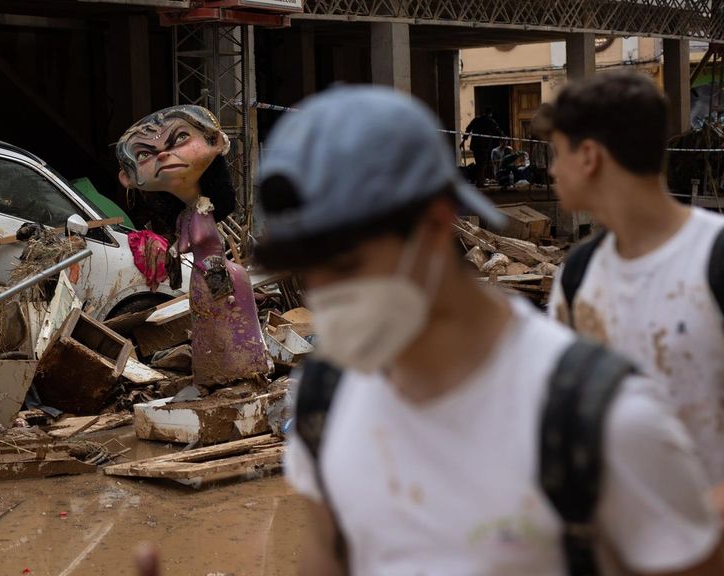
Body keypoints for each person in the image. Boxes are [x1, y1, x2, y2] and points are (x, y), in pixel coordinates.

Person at [252, 86, 723, 575]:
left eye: (347, 263)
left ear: (435, 226)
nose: (324, 292)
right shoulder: (323, 401)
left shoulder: (605, 421)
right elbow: (329, 555)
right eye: (306, 269)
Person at [538, 71, 724, 517]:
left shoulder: (713, 259)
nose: (551, 170)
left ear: (589, 157)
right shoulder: (577, 276)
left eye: (557, 153)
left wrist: (696, 531)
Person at [116, 105, 272, 388]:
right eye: (143, 154)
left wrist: (176, 249)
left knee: (225, 316)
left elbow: (200, 240)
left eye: (179, 140)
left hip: (213, 269)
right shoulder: (189, 212)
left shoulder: (202, 211)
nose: (162, 155)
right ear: (127, 177)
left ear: (216, 142)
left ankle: (235, 367)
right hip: (205, 271)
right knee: (211, 319)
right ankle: (218, 368)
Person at [463, 106, 505, 187]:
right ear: (490, 114)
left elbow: (468, 129)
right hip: (484, 146)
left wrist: (464, 140)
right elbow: (497, 130)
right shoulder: (490, 121)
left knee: (478, 163)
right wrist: (503, 136)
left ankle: (479, 181)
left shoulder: (476, 120)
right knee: (482, 164)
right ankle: (480, 183)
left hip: (475, 145)